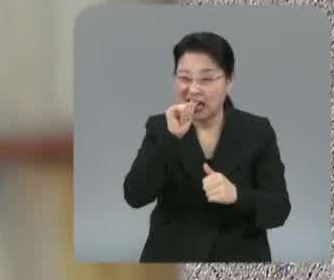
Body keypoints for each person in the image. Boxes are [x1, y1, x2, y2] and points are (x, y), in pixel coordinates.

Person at [121, 31, 291, 262]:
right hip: (172, 261)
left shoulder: (257, 131)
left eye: (206, 79)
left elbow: (279, 209)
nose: (193, 89)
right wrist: (171, 138)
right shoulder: (161, 128)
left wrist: (237, 196)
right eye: (184, 78)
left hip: (239, 264)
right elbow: (134, 195)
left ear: (229, 80)